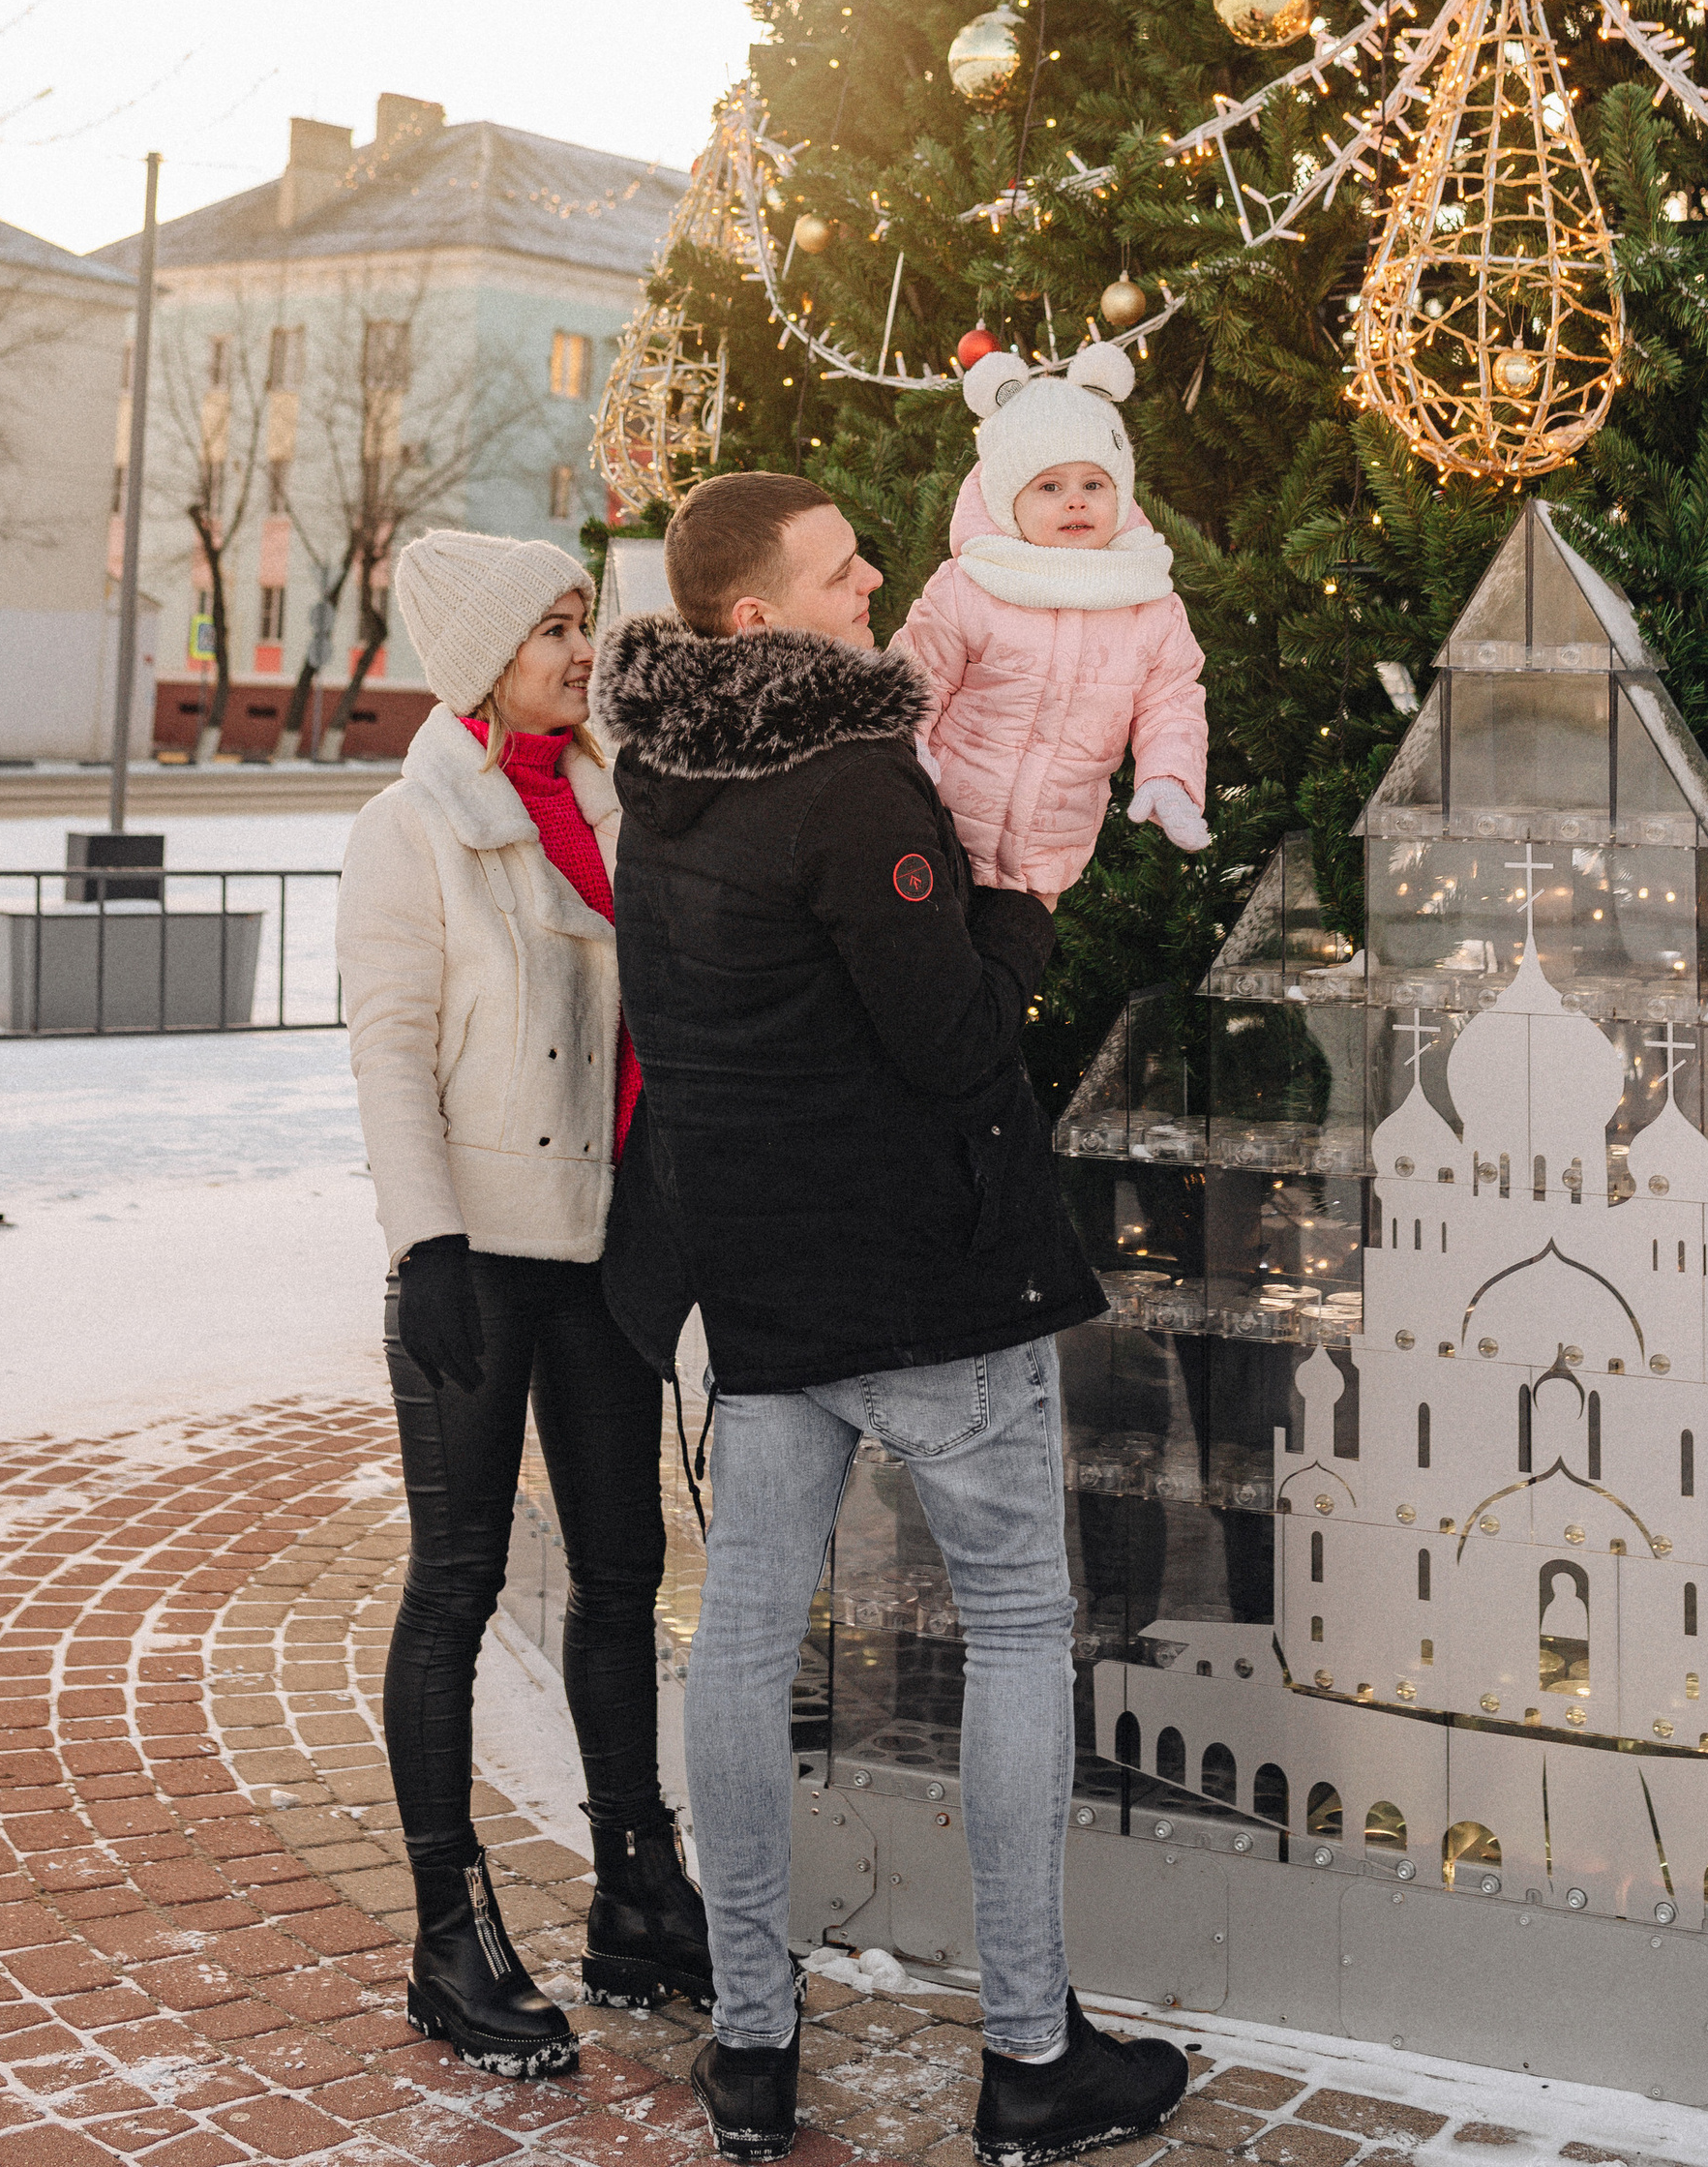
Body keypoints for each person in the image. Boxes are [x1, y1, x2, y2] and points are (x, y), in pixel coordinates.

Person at [594, 470, 1188, 2167]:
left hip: (763, 1289)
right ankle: (1029, 2056)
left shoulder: (664, 780)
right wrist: (1024, 909)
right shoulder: (855, 780)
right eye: (842, 568)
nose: (877, 578)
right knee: (1014, 1629)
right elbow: (953, 1042)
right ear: (756, 616)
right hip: (930, 1285)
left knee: (743, 1637)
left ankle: (752, 2044)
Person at [335, 529, 710, 2080]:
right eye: (554, 630)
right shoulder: (409, 827)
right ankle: (449, 1935)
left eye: (583, 623)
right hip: (481, 1253)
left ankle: (634, 1886)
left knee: (621, 1571)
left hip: (606, 1248)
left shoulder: (620, 804)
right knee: (459, 1578)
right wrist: (424, 1245)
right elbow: (389, 1049)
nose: (581, 651)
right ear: (484, 657)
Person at [890, 343, 1208, 902]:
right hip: (934, 832)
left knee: (1013, 965)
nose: (1076, 502)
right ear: (1009, 499)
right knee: (936, 971)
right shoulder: (972, 585)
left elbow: (1172, 700)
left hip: (1052, 853)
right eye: (1050, 486)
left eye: (1094, 484)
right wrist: (902, 750)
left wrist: (1167, 777)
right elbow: (917, 675)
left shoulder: (1147, 600)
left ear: (1120, 492)